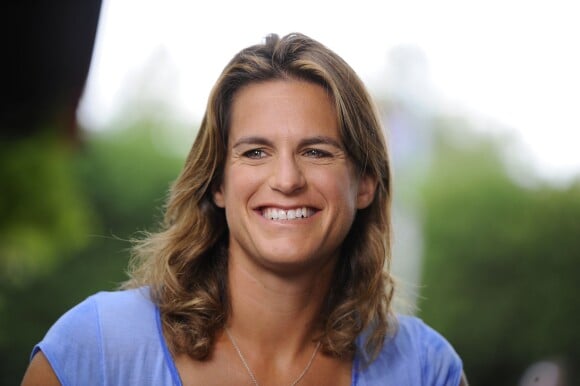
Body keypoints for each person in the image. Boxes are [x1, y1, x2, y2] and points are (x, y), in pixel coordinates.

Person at [22, 33, 468, 385]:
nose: (287, 180)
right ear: (217, 181)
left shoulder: (426, 370)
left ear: (366, 182)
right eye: (255, 152)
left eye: (316, 151)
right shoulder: (95, 349)